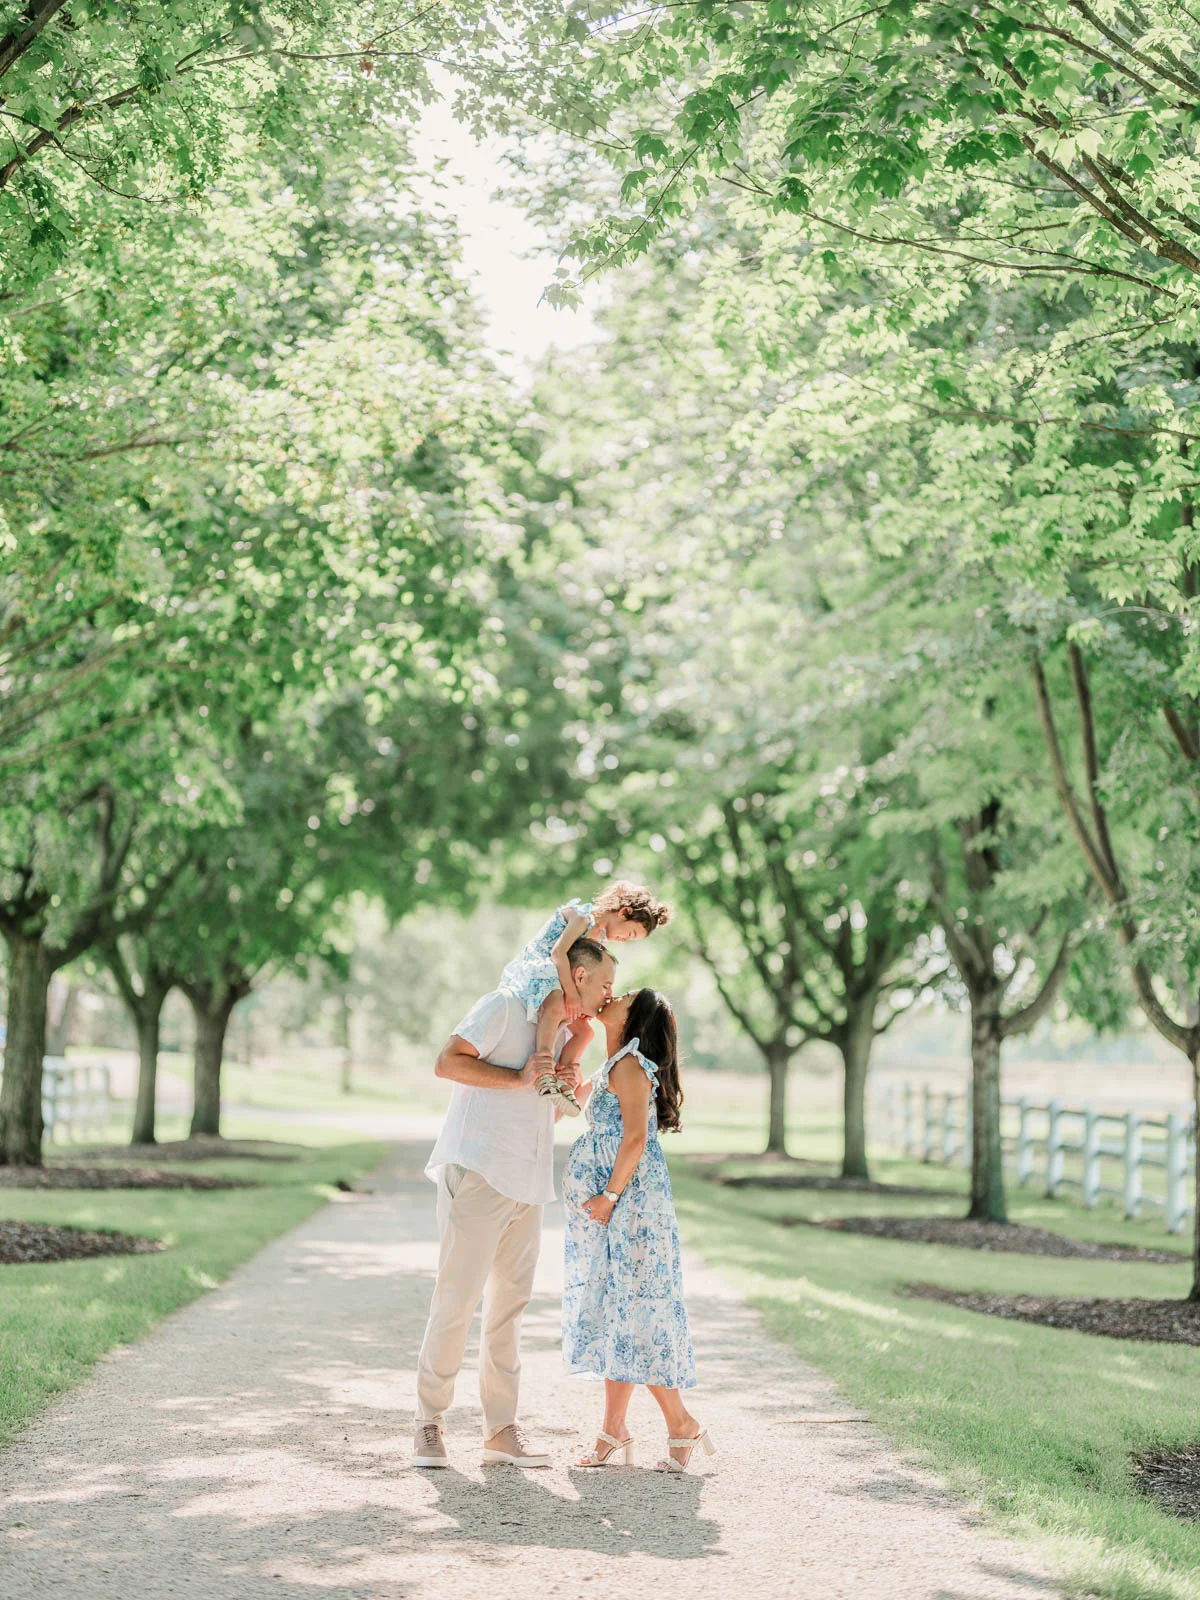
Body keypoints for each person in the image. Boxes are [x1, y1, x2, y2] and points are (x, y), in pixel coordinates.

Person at [413, 936, 616, 1471]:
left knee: (508, 1311)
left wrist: (565, 1085)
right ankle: (428, 1423)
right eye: (603, 985)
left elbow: (544, 1113)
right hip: (479, 1173)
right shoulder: (505, 1007)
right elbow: (446, 1063)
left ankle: (501, 1430)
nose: (606, 996)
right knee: (456, 1302)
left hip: (528, 1183)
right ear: (576, 976)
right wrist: (520, 1076)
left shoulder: (571, 1034)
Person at [561, 987, 714, 1474]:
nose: (610, 996)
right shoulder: (613, 1065)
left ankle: (681, 1423)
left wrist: (608, 1196)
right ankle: (615, 1430)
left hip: (633, 1209)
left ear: (633, 1019)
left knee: (637, 1314)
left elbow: (635, 1138)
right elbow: (570, 1103)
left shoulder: (629, 1067)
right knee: (616, 1312)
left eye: (621, 996)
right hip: (621, 1208)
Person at [498, 882, 672, 1116]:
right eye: (629, 933)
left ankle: (564, 1079)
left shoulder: (600, 938)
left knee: (586, 1032)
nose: (624, 940)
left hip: (564, 980)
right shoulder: (583, 918)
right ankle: (544, 1068)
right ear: (624, 912)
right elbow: (558, 954)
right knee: (555, 1006)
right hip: (543, 968)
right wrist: (571, 994)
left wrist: (580, 1000)